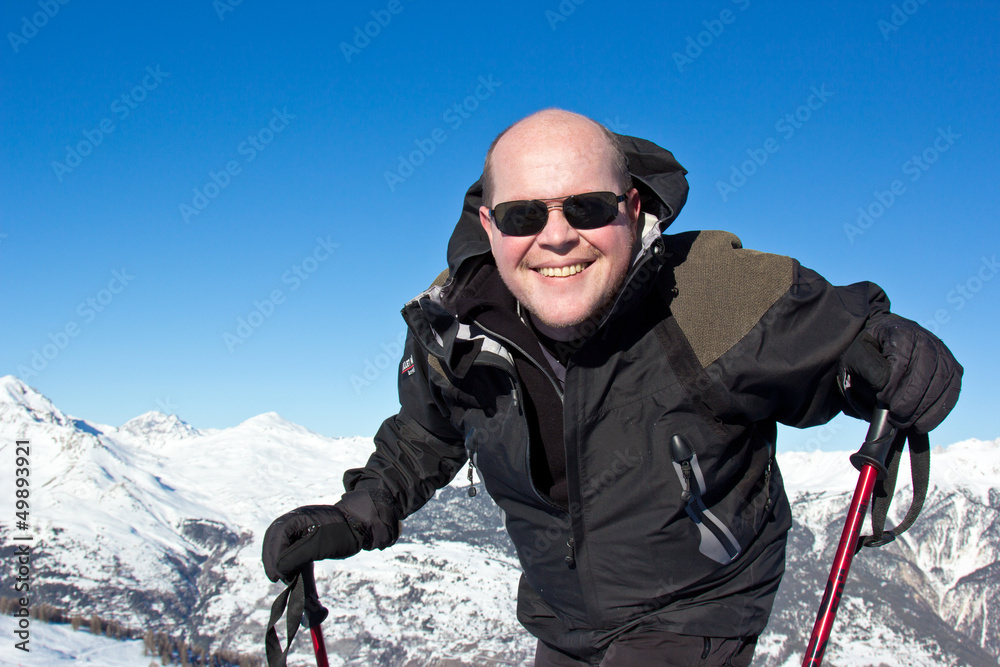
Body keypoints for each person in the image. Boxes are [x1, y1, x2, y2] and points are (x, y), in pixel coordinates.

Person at [262, 109, 962, 666]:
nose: (557, 236)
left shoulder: (710, 293)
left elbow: (845, 341)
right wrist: (355, 515)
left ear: (630, 207)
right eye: (523, 215)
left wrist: (890, 358)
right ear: (488, 225)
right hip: (562, 614)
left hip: (696, 606)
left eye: (587, 207)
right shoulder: (456, 330)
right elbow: (427, 434)